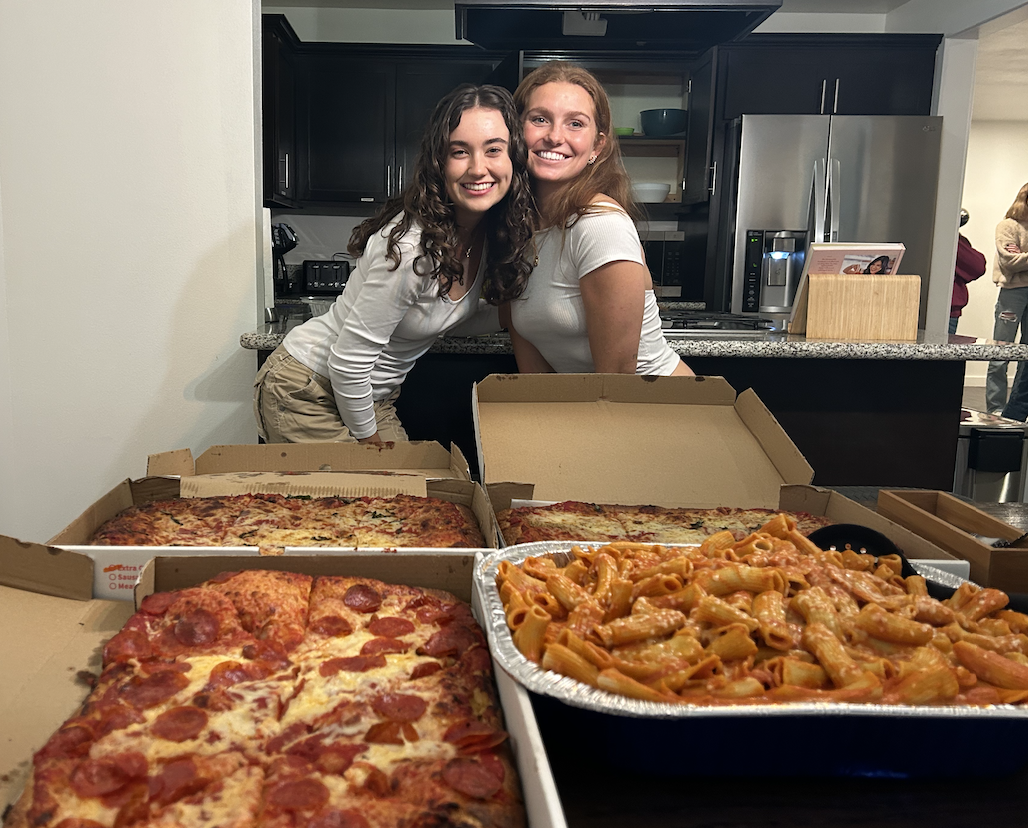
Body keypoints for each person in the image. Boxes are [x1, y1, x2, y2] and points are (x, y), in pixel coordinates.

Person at [253, 84, 535, 443]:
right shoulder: (410, 249)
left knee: (406, 493)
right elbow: (348, 362)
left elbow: (444, 317)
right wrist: (372, 446)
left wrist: (514, 314)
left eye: (494, 149)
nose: (478, 168)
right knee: (379, 494)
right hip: (308, 387)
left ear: (514, 158)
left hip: (369, 395)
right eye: (459, 151)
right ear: (439, 164)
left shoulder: (482, 236)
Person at [501, 60, 694, 376]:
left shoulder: (599, 226)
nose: (554, 136)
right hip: (593, 409)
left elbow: (616, 380)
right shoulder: (520, 228)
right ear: (516, 132)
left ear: (597, 147)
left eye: (575, 123)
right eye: (539, 119)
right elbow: (534, 377)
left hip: (655, 408)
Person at [986, 183, 1028, 415]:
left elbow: (1018, 261)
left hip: (1018, 287)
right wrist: (1018, 262)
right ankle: (995, 411)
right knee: (1000, 353)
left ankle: (1015, 413)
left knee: (1027, 355)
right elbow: (1009, 262)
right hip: (1013, 292)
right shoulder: (1007, 226)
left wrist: (1023, 259)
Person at [949, 208, 987, 335]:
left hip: (949, 311)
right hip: (944, 312)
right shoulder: (950, 240)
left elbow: (976, 266)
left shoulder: (957, 241)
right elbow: (977, 266)